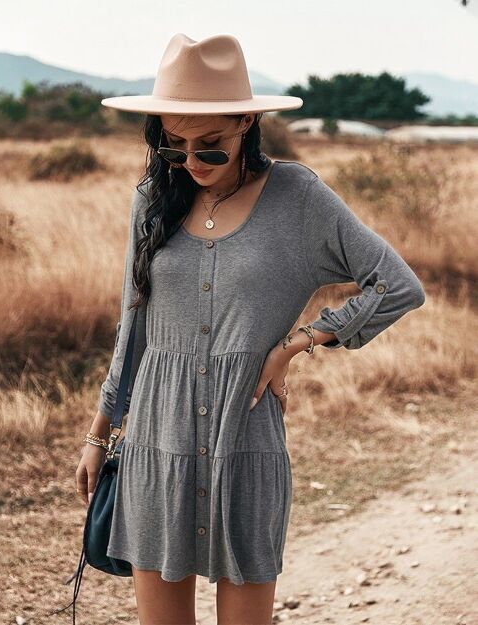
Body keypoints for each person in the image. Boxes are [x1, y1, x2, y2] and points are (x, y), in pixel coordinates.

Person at [75, 33, 426, 625]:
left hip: (247, 437)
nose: (190, 163)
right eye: (173, 146)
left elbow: (396, 284)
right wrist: (100, 428)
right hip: (156, 436)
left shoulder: (299, 198)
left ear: (247, 122)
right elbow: (131, 324)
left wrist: (300, 342)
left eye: (210, 147)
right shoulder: (153, 200)